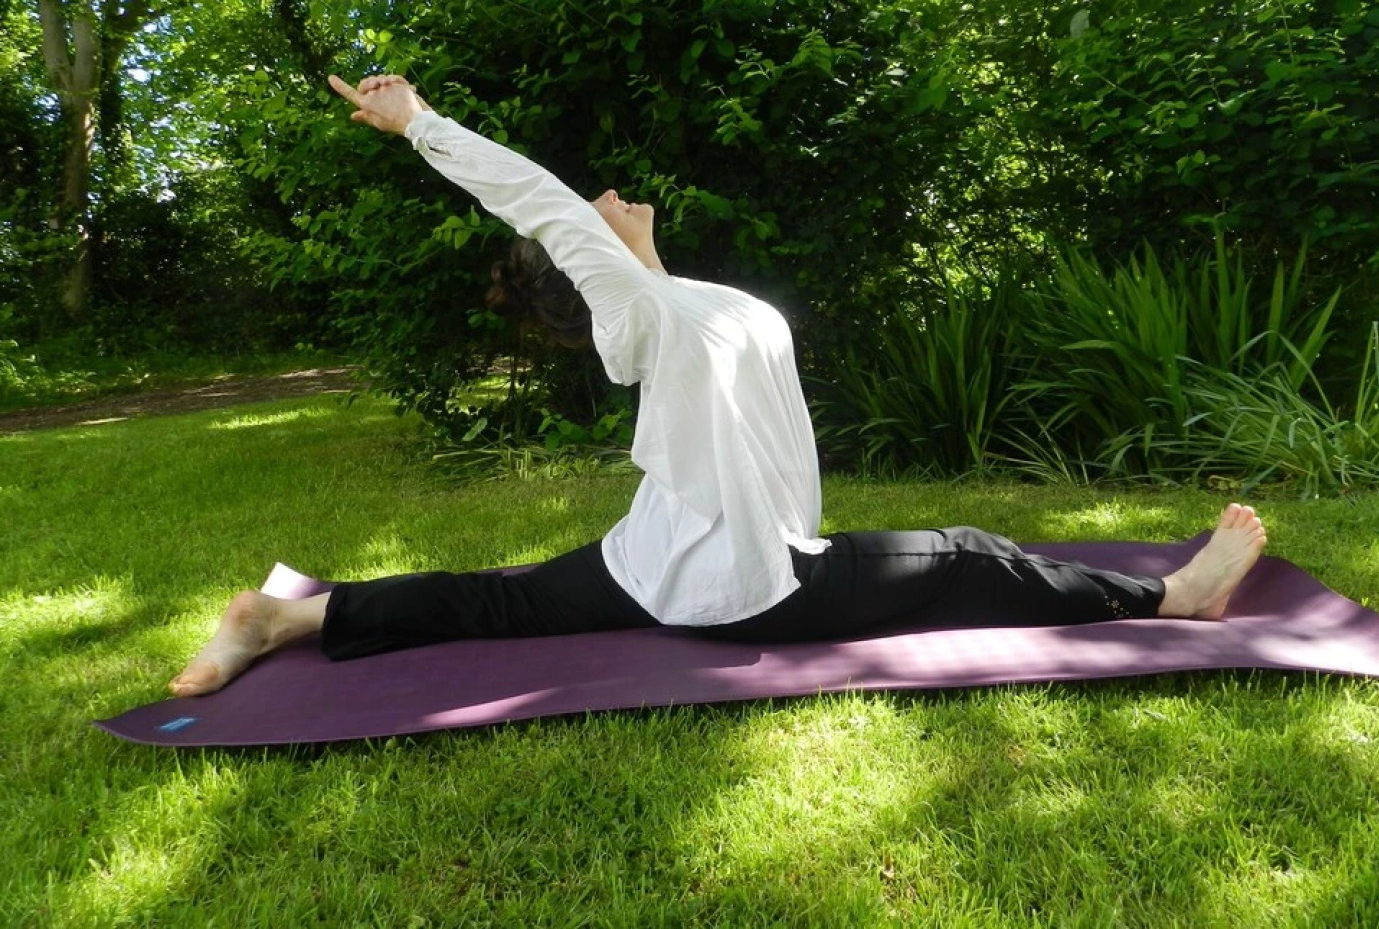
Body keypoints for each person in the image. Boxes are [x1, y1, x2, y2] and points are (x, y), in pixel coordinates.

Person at [169, 73, 1268, 698]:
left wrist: (640, 246)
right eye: (597, 231)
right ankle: (1173, 598)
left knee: (492, 598)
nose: (608, 208)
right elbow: (540, 198)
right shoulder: (643, 305)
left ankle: (280, 618)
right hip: (757, 583)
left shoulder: (654, 313)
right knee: (971, 556)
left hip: (646, 563)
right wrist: (419, 123)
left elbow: (664, 307)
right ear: (584, 268)